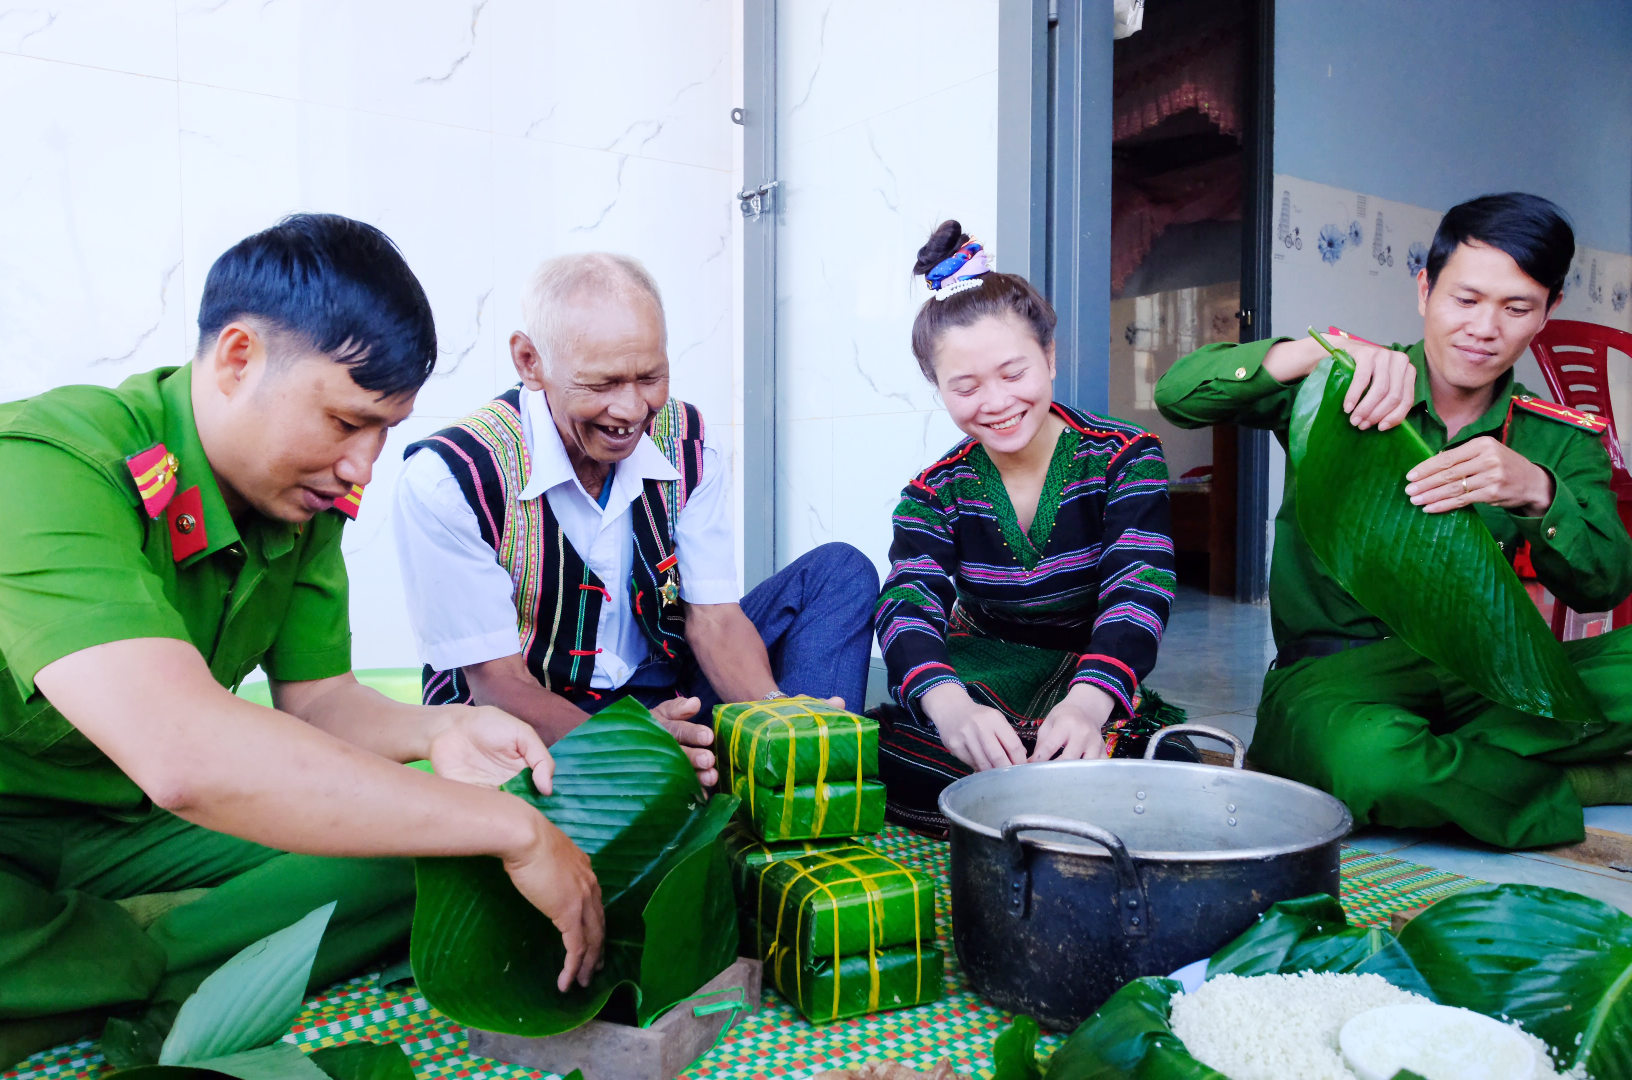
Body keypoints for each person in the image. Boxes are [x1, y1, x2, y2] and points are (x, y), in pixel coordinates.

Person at [0, 215, 606, 1068]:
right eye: (345, 421)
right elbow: (185, 756)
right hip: (39, 813)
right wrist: (513, 828)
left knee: (431, 849)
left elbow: (320, 702)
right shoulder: (48, 465)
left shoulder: (300, 500)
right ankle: (142, 960)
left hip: (119, 819)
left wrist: (443, 732)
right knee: (479, 831)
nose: (364, 465)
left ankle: (111, 965)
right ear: (238, 358)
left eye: (385, 431)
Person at [1156, 192, 1632, 850]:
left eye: (1516, 307)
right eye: (1465, 300)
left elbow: (1605, 583)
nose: (1485, 328)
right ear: (1425, 291)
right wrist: (1318, 350)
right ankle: (1581, 783)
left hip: (1490, 675)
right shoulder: (1342, 381)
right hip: (1336, 679)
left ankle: (1456, 760)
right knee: (1366, 759)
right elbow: (1177, 394)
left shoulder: (1558, 438)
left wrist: (1538, 493)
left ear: (1546, 312)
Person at [391, 252, 877, 778]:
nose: (630, 411)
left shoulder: (687, 441)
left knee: (840, 571)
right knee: (541, 780)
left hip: (666, 693)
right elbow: (496, 683)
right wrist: (632, 744)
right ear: (530, 362)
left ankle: (803, 773)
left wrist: (779, 718)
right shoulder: (450, 478)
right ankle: (682, 778)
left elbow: (713, 620)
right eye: (601, 384)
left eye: (651, 377)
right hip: (530, 711)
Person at [873, 221, 1185, 833]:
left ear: (1049, 355)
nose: (994, 402)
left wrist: (1089, 706)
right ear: (939, 389)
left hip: (1086, 672)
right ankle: (1050, 796)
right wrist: (952, 708)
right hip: (984, 670)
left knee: (1162, 763)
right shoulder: (934, 491)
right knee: (888, 749)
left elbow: (1137, 592)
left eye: (1013, 374)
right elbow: (906, 604)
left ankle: (1020, 792)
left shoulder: (1124, 456)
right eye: (965, 387)